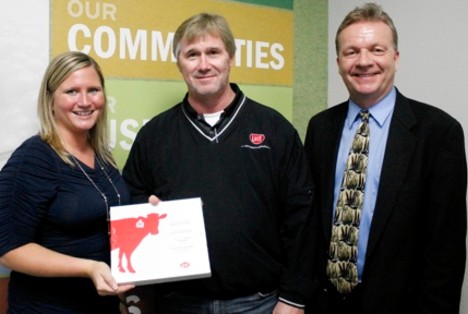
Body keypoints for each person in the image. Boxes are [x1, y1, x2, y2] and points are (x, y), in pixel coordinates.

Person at [122, 12, 316, 314]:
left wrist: (293, 299)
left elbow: (302, 219)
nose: (203, 64)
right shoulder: (154, 136)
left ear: (231, 58)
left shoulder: (275, 130)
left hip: (260, 303)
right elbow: (130, 205)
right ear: (179, 63)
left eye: (213, 52)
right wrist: (145, 208)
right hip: (178, 304)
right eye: (192, 55)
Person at [304, 3, 467, 314]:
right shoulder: (320, 128)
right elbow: (309, 226)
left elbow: (445, 252)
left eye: (376, 49)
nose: (364, 61)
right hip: (324, 305)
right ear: (339, 62)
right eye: (351, 52)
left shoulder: (438, 133)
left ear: (396, 57)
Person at [0, 51, 134, 313]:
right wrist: (88, 267)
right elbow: (9, 249)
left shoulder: (103, 157)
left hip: (100, 305)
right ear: (50, 101)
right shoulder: (35, 157)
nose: (84, 101)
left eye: (93, 90)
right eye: (72, 91)